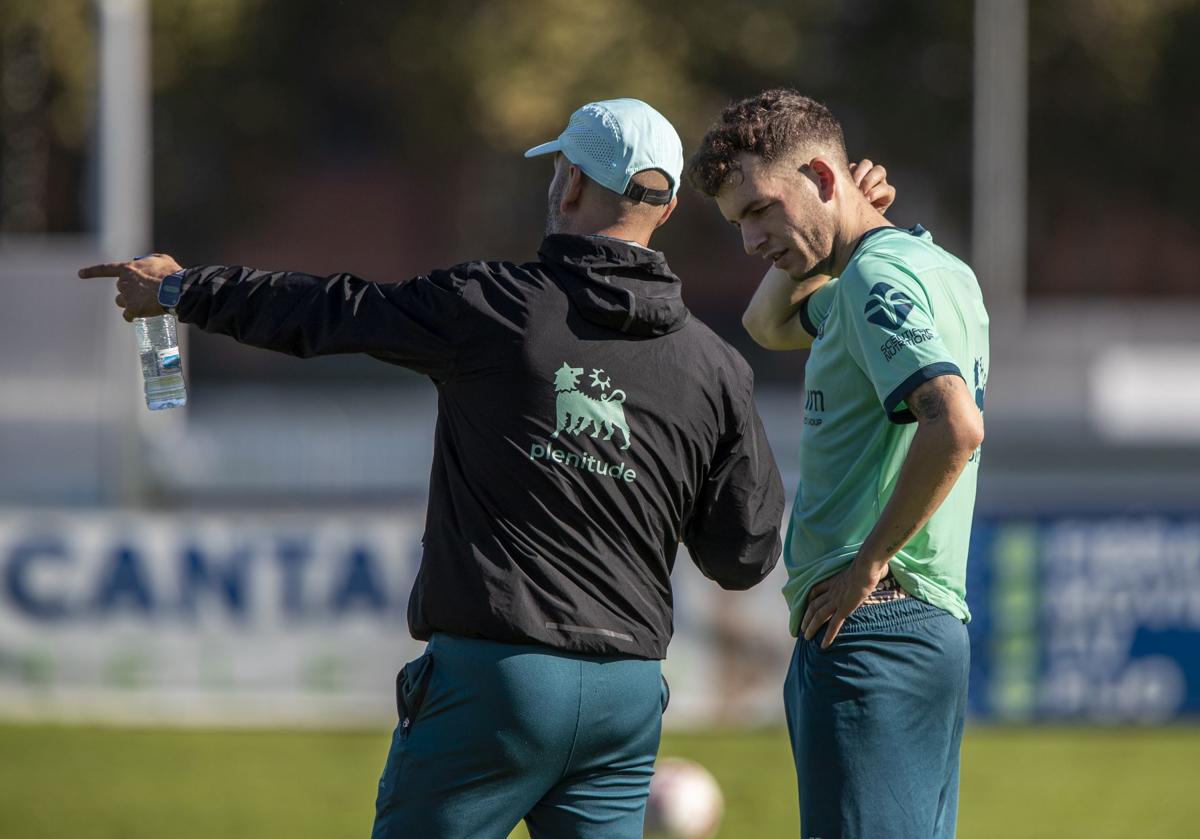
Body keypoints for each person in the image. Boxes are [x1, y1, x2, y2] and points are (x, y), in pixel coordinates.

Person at [81, 98, 787, 839]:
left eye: (557, 171)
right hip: (628, 695)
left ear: (570, 183)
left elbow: (328, 312)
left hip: (499, 682)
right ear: (668, 206)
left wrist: (178, 290)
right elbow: (742, 557)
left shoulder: (492, 306)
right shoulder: (717, 369)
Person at [687, 89, 989, 839]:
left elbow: (954, 423)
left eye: (759, 210)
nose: (751, 241)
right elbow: (767, 323)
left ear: (823, 175)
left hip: (872, 629)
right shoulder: (933, 271)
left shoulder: (873, 282)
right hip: (921, 631)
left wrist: (867, 562)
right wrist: (845, 214)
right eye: (737, 225)